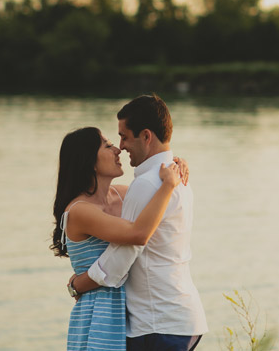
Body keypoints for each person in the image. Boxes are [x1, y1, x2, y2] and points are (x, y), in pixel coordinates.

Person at [69, 94, 208, 351]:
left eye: (123, 136)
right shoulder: (174, 177)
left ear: (146, 136)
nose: (120, 146)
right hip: (181, 317)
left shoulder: (146, 185)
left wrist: (79, 283)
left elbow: (124, 253)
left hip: (158, 322)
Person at [51, 126, 188, 351]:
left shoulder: (122, 194)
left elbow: (155, 198)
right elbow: (137, 234)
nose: (118, 150)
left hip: (132, 313)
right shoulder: (79, 211)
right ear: (90, 162)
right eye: (107, 146)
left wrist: (177, 163)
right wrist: (168, 184)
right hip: (98, 318)